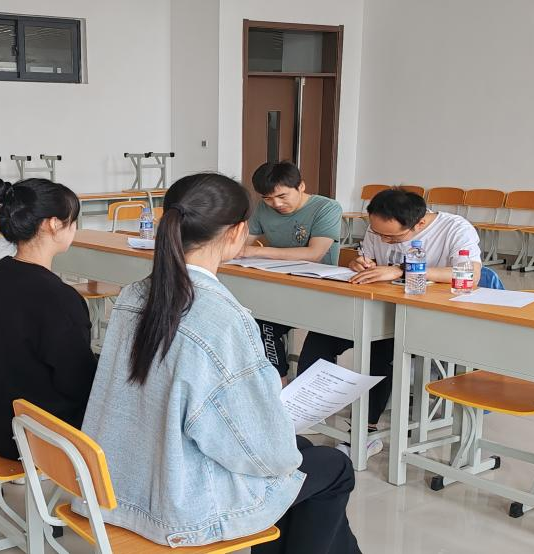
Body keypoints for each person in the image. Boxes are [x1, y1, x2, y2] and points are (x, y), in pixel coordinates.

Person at [75, 173, 360, 553]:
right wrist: (274, 412)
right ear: (238, 231)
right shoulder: (221, 319)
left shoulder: (134, 295)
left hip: (122, 481)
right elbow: (257, 447)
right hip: (179, 504)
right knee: (334, 467)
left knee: (301, 452)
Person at [298, 187, 482, 459]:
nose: (383, 239)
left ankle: (366, 432)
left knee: (380, 347)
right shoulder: (378, 228)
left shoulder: (455, 228)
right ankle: (306, 412)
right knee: (323, 333)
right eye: (378, 233)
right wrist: (360, 263)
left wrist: (400, 269)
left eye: (392, 237)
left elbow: (471, 275)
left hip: (426, 317)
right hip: (380, 307)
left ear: (419, 223)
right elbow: (370, 260)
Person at [0, 178, 97, 461]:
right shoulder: (59, 299)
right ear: (53, 224)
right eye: (73, 221)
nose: (75, 229)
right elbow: (78, 384)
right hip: (37, 437)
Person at [241, 161, 343, 379]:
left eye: (282, 196)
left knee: (315, 350)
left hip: (318, 290)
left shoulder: (327, 207)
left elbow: (314, 253)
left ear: (301, 186)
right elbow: (242, 244)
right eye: (267, 198)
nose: (276, 204)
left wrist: (258, 251)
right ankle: (279, 385)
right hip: (280, 286)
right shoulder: (263, 208)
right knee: (258, 323)